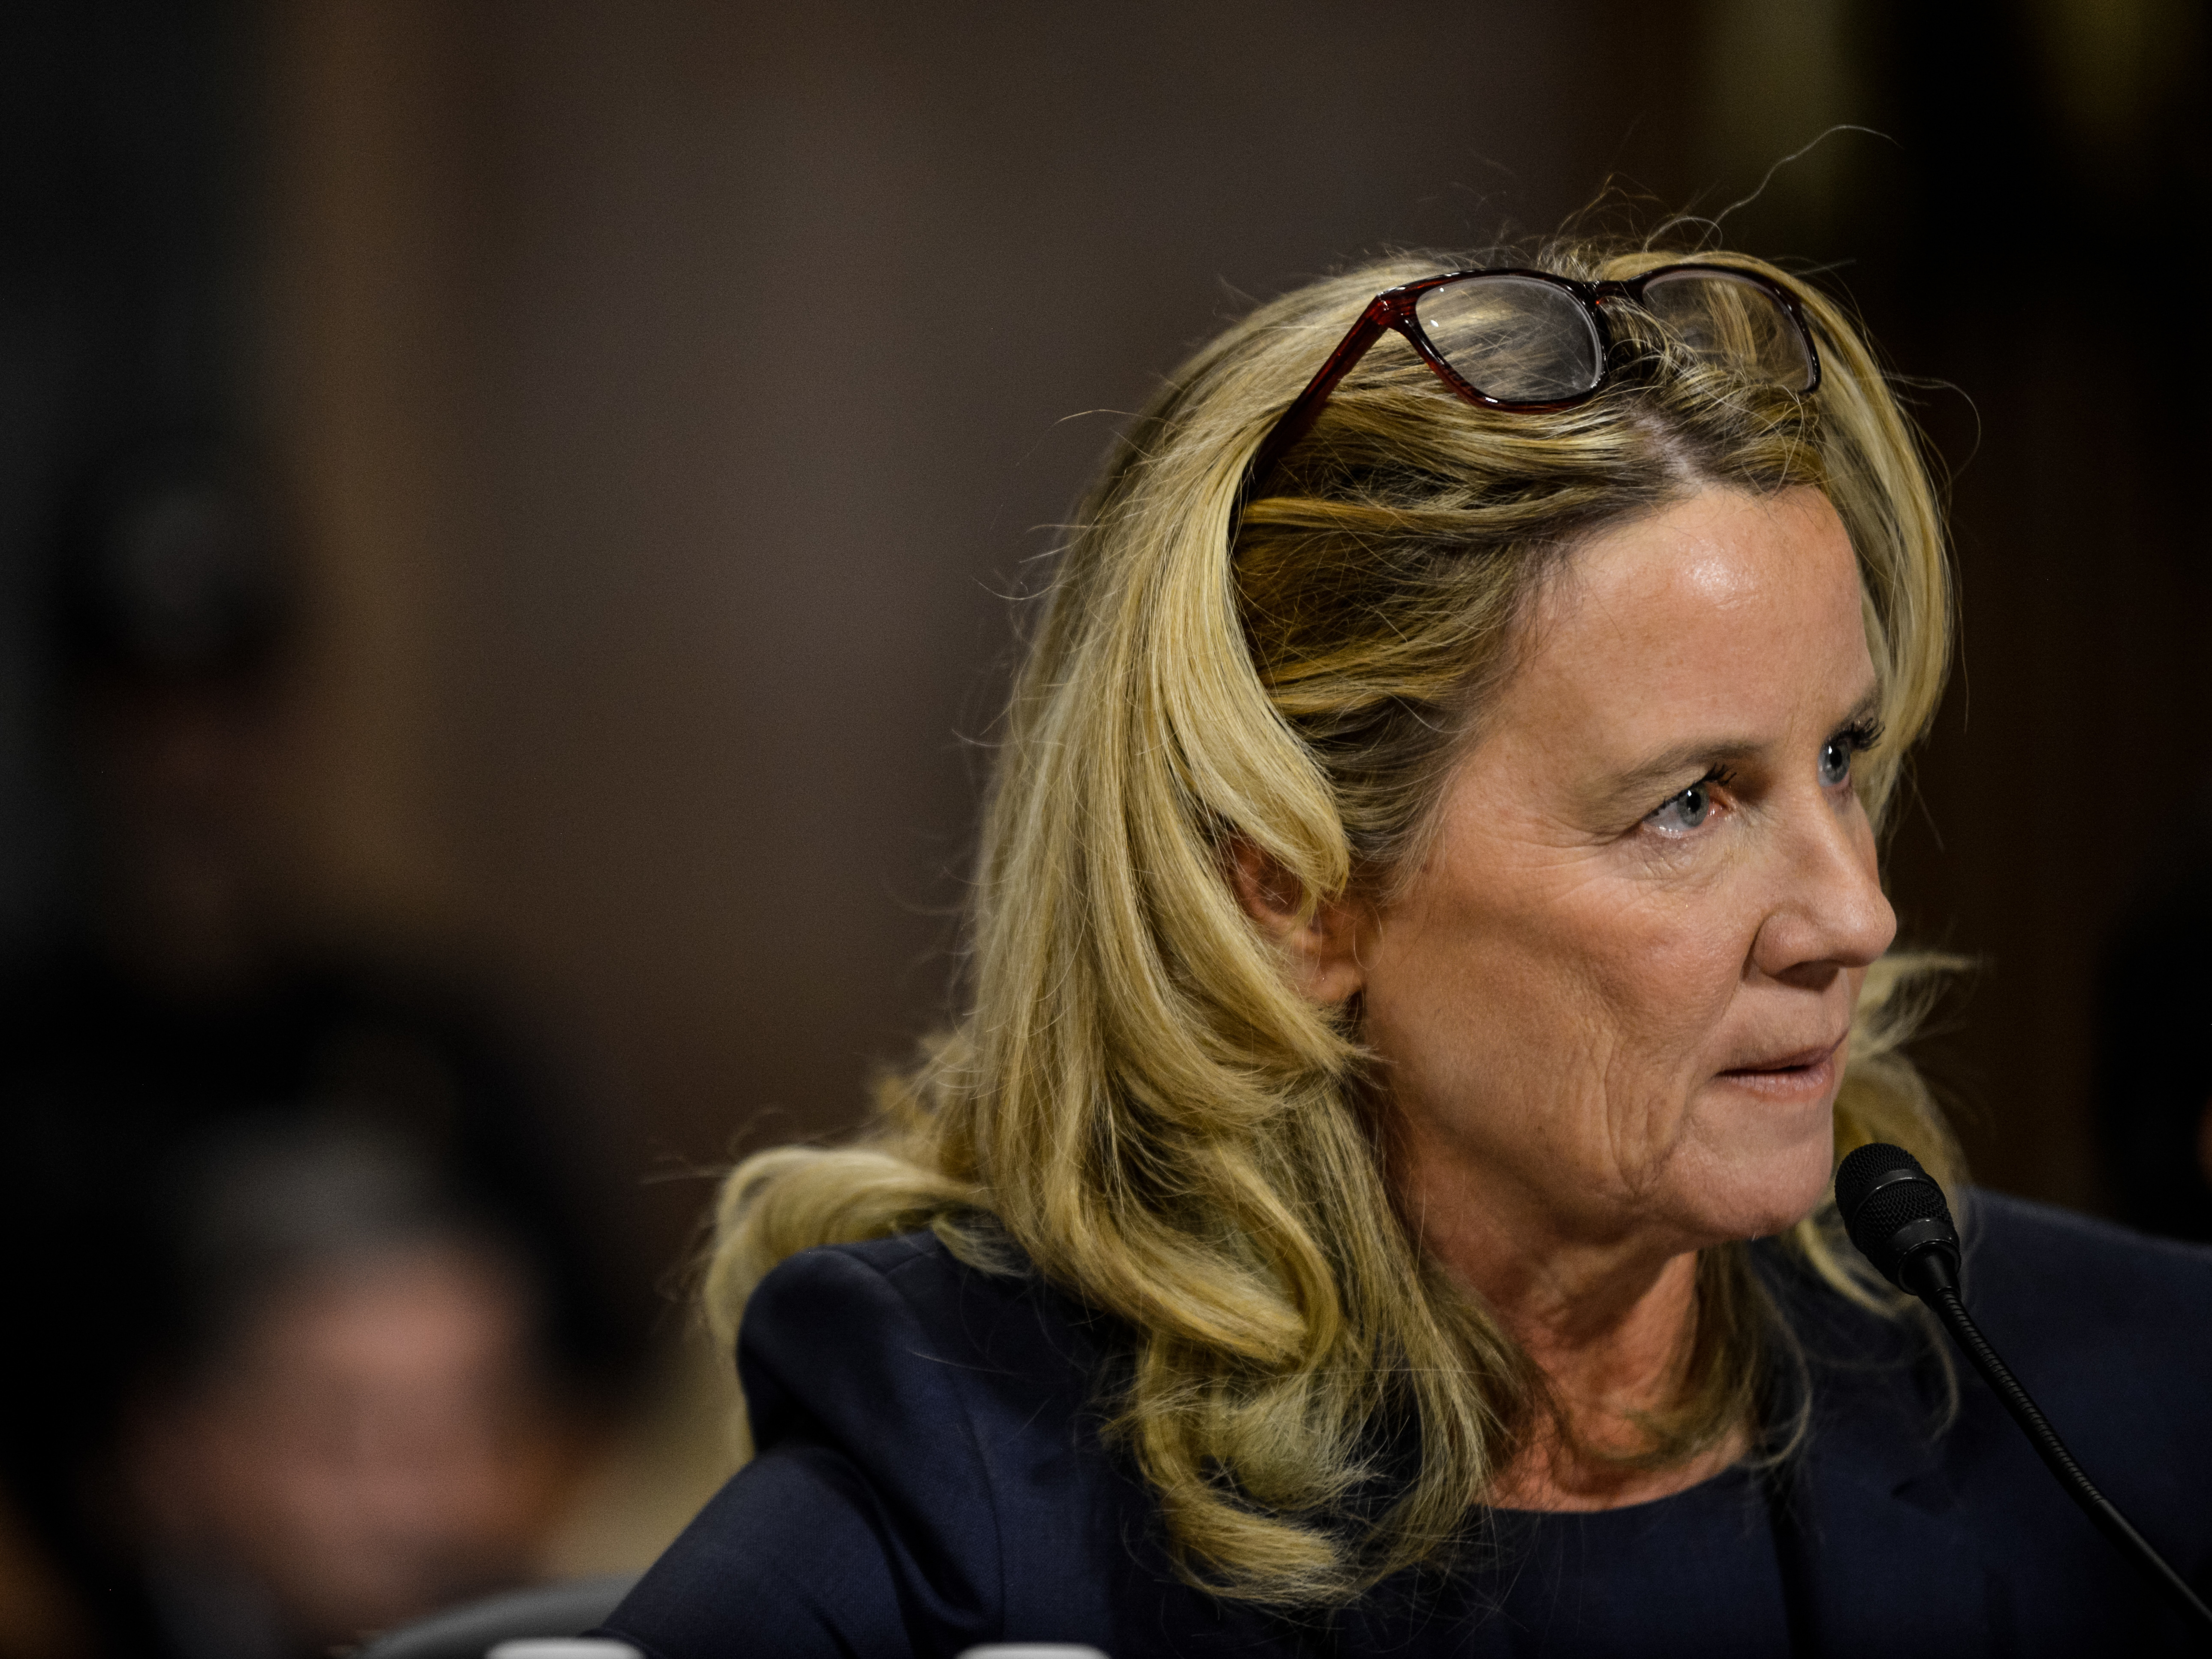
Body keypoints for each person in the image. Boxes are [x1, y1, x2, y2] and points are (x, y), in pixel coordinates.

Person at [599, 247, 2212, 1656]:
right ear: (1292, 898)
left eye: (1842, 757)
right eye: (1691, 803)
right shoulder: (972, 1472)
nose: (1853, 913)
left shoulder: (2132, 1405)